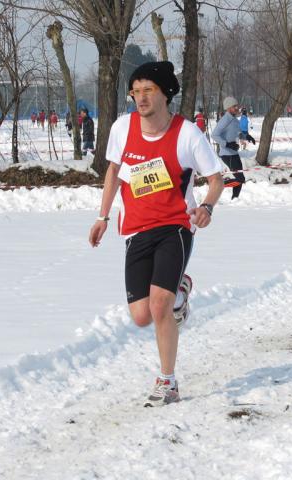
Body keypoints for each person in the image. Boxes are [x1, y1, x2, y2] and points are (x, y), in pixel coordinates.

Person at [88, 60, 224, 407]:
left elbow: (216, 178)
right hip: (136, 229)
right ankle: (180, 291)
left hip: (174, 226)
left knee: (160, 306)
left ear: (165, 94)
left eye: (148, 90)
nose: (141, 97)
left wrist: (206, 207)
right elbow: (114, 171)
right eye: (135, 91)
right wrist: (103, 216)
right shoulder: (123, 127)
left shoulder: (187, 133)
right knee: (141, 316)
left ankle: (168, 381)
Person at [212, 96, 254, 199]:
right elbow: (214, 135)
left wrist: (247, 136)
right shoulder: (225, 120)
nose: (237, 108)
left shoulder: (234, 120)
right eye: (234, 106)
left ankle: (234, 200)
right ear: (228, 107)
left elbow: (239, 133)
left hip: (234, 153)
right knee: (240, 179)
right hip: (227, 154)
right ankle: (217, 185)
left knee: (240, 179)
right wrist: (227, 144)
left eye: (237, 106)